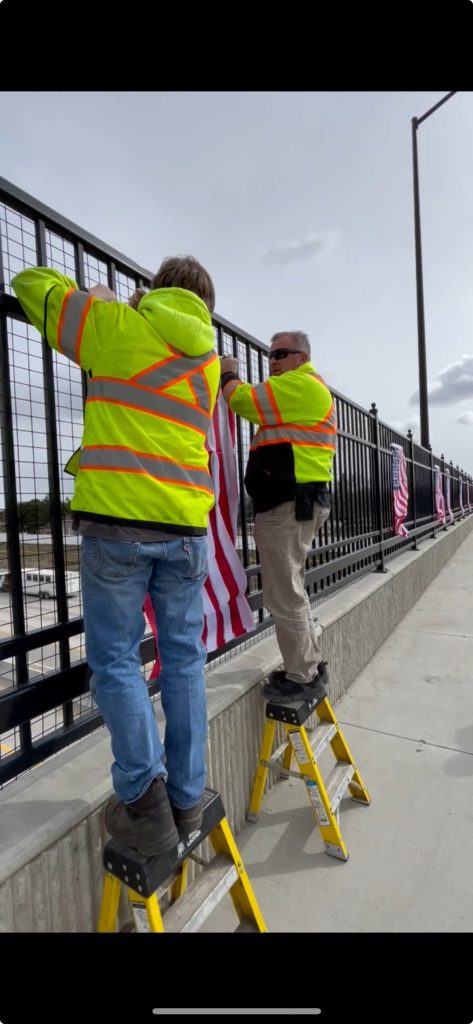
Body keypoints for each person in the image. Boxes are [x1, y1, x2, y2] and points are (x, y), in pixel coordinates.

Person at [12, 256, 220, 856]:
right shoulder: (207, 363)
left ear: (154, 288)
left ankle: (143, 799)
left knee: (116, 660)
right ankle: (185, 794)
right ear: (205, 305)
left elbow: (29, 284)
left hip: (118, 525)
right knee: (183, 659)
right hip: (186, 527)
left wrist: (104, 301)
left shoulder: (116, 326)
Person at [220, 331, 336, 705]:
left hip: (289, 504)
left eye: (282, 353)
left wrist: (227, 373)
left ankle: (302, 677)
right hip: (295, 502)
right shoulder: (298, 390)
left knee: (283, 593)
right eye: (271, 354)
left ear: (303, 357)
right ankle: (309, 665)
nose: (273, 360)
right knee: (291, 589)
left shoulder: (302, 386)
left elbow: (244, 400)